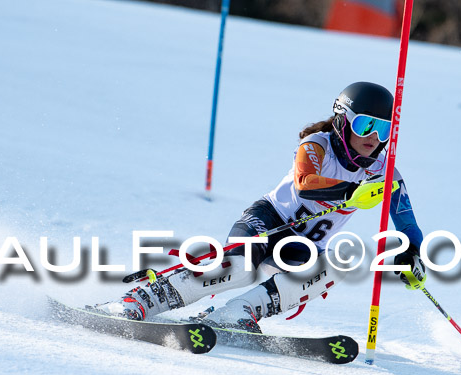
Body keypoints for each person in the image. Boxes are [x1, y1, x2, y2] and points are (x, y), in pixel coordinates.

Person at [98, 82, 427, 332]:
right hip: (269, 221)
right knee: (239, 267)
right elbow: (305, 184)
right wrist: (350, 191)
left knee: (340, 264)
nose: (374, 138)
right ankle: (141, 300)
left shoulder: (384, 171)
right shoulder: (317, 145)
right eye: (365, 126)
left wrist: (413, 253)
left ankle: (237, 313)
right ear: (343, 122)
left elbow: (406, 221)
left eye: (383, 129)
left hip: (304, 247)